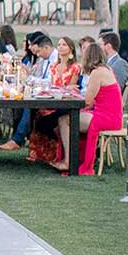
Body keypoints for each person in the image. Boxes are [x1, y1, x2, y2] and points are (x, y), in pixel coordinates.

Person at [64, 43, 122, 176]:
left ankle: (70, 160)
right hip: (111, 115)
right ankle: (71, 158)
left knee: (65, 121)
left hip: (106, 118)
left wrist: (73, 94)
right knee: (68, 118)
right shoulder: (106, 69)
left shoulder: (96, 73)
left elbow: (88, 101)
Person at [29, 37, 83, 170]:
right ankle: (46, 152)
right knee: (36, 114)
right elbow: (52, 86)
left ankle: (65, 148)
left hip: (66, 103)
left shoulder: (75, 67)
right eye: (59, 44)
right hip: (53, 100)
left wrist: (62, 89)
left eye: (64, 44)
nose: (61, 47)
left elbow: (72, 88)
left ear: (71, 48)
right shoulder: (54, 66)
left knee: (45, 121)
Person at [0, 35, 55, 151]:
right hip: (42, 92)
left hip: (51, 95)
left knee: (28, 104)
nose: (37, 55)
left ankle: (17, 139)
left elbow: (49, 81)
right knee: (21, 100)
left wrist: (29, 79)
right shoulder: (45, 59)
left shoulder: (53, 59)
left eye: (38, 51)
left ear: (46, 48)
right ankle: (19, 136)